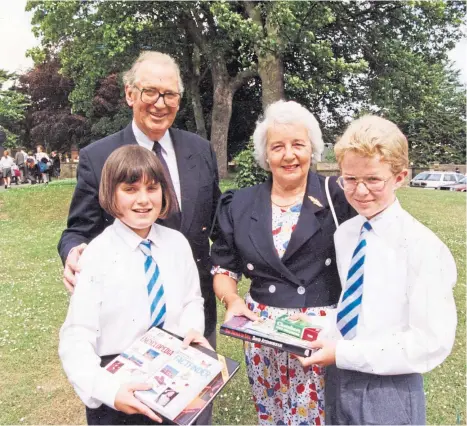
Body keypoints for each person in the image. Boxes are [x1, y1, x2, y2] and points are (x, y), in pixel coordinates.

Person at [57, 51, 220, 424]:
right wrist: (74, 253)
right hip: (124, 334)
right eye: (151, 92)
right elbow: (77, 230)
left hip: (188, 321)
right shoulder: (99, 157)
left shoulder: (199, 149)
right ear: (130, 94)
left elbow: (214, 219)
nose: (161, 104)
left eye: (170, 94)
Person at [295, 115, 457, 425]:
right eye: (349, 179)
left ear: (400, 177)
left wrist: (344, 354)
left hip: (390, 387)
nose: (359, 191)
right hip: (339, 377)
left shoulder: (424, 248)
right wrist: (318, 322)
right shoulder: (346, 234)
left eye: (373, 179)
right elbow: (359, 310)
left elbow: (429, 342)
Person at [210, 100, 355, 425]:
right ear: (266, 154)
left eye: (298, 145)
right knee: (272, 417)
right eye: (278, 146)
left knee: (322, 418)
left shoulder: (338, 196)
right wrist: (232, 299)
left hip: (321, 336)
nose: (289, 155)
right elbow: (222, 268)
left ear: (312, 149)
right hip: (262, 336)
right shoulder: (239, 203)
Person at [59, 145, 210, 425]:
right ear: (110, 194)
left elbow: (192, 300)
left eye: (152, 188)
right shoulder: (96, 255)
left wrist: (192, 330)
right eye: (130, 190)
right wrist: (109, 391)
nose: (143, 200)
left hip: (172, 380)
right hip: (118, 388)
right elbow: (76, 336)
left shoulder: (177, 244)